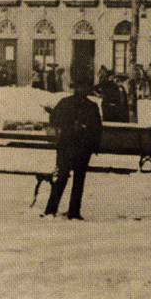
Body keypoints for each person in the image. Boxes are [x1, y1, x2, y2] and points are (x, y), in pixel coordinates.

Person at [43, 75, 103, 220]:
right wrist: (93, 145)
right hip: (83, 148)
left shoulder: (65, 103)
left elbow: (54, 121)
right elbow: (97, 129)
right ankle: (74, 211)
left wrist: (67, 128)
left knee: (62, 177)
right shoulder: (91, 106)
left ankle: (51, 209)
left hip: (66, 146)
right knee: (78, 180)